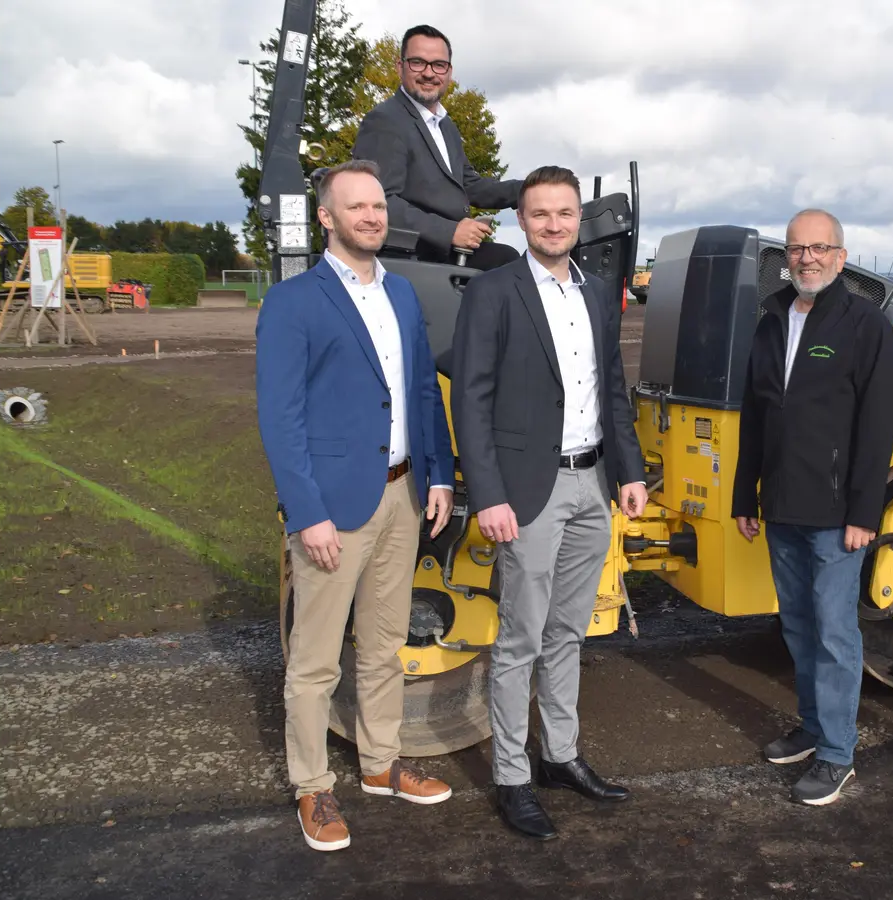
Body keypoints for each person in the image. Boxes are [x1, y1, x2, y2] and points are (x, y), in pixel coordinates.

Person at [254, 158, 460, 851]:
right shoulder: (293, 302)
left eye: (377, 206)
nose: (372, 216)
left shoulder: (401, 294)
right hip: (334, 508)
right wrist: (305, 511)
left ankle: (379, 765)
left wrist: (438, 476)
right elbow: (280, 418)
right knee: (315, 661)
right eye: (357, 207)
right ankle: (312, 787)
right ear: (326, 217)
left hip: (404, 492)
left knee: (383, 645)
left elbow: (423, 395)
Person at [449, 165, 649, 840]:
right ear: (522, 220)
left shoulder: (597, 295)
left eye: (565, 213)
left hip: (593, 485)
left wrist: (630, 471)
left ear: (578, 220)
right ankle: (512, 775)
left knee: (568, 632)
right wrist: (489, 494)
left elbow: (612, 389)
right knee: (520, 640)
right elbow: (470, 399)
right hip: (527, 492)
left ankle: (559, 756)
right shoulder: (495, 292)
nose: (554, 224)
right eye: (540, 214)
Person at [732, 208, 893, 806]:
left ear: (841, 257)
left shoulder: (864, 325)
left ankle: (837, 754)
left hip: (836, 514)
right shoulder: (772, 319)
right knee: (798, 624)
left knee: (833, 631)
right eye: (798, 248)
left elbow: (879, 427)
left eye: (819, 248)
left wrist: (864, 513)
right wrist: (744, 494)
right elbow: (756, 415)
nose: (807, 258)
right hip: (780, 503)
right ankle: (812, 725)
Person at [350, 24, 523, 269]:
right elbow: (379, 201)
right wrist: (450, 231)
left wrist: (529, 190)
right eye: (418, 63)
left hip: (446, 252)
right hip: (415, 254)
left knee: (511, 263)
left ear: (449, 72)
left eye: (438, 65)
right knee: (508, 266)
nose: (429, 73)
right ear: (400, 67)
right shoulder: (385, 122)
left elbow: (469, 185)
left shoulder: (444, 125)